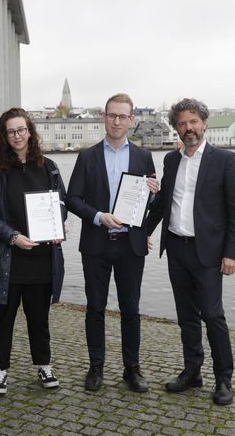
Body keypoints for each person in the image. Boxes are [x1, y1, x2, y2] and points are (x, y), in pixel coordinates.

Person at [146, 98, 235, 405]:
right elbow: (164, 204)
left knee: (213, 316)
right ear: (176, 127)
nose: (188, 129)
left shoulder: (224, 160)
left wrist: (232, 254)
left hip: (209, 254)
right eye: (182, 124)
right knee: (186, 317)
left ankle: (223, 379)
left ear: (203, 123)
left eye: (193, 122)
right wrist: (142, 231)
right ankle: (192, 372)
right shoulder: (171, 161)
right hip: (177, 249)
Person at [66, 93, 159, 393]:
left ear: (131, 120)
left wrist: (154, 192)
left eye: (123, 116)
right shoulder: (87, 156)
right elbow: (72, 200)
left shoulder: (144, 157)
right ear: (104, 117)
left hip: (131, 246)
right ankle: (96, 368)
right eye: (112, 115)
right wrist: (97, 217)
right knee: (95, 308)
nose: (117, 121)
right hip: (96, 244)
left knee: (131, 309)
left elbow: (149, 203)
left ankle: (132, 369)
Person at [0, 107, 67, 395]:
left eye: (21, 129)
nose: (17, 135)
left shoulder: (50, 167)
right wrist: (12, 236)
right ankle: (0, 372)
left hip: (42, 258)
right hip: (9, 258)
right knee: (2, 318)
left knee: (38, 318)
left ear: (30, 131)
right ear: (3, 136)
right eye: (11, 131)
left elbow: (61, 205)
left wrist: (56, 226)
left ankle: (43, 365)